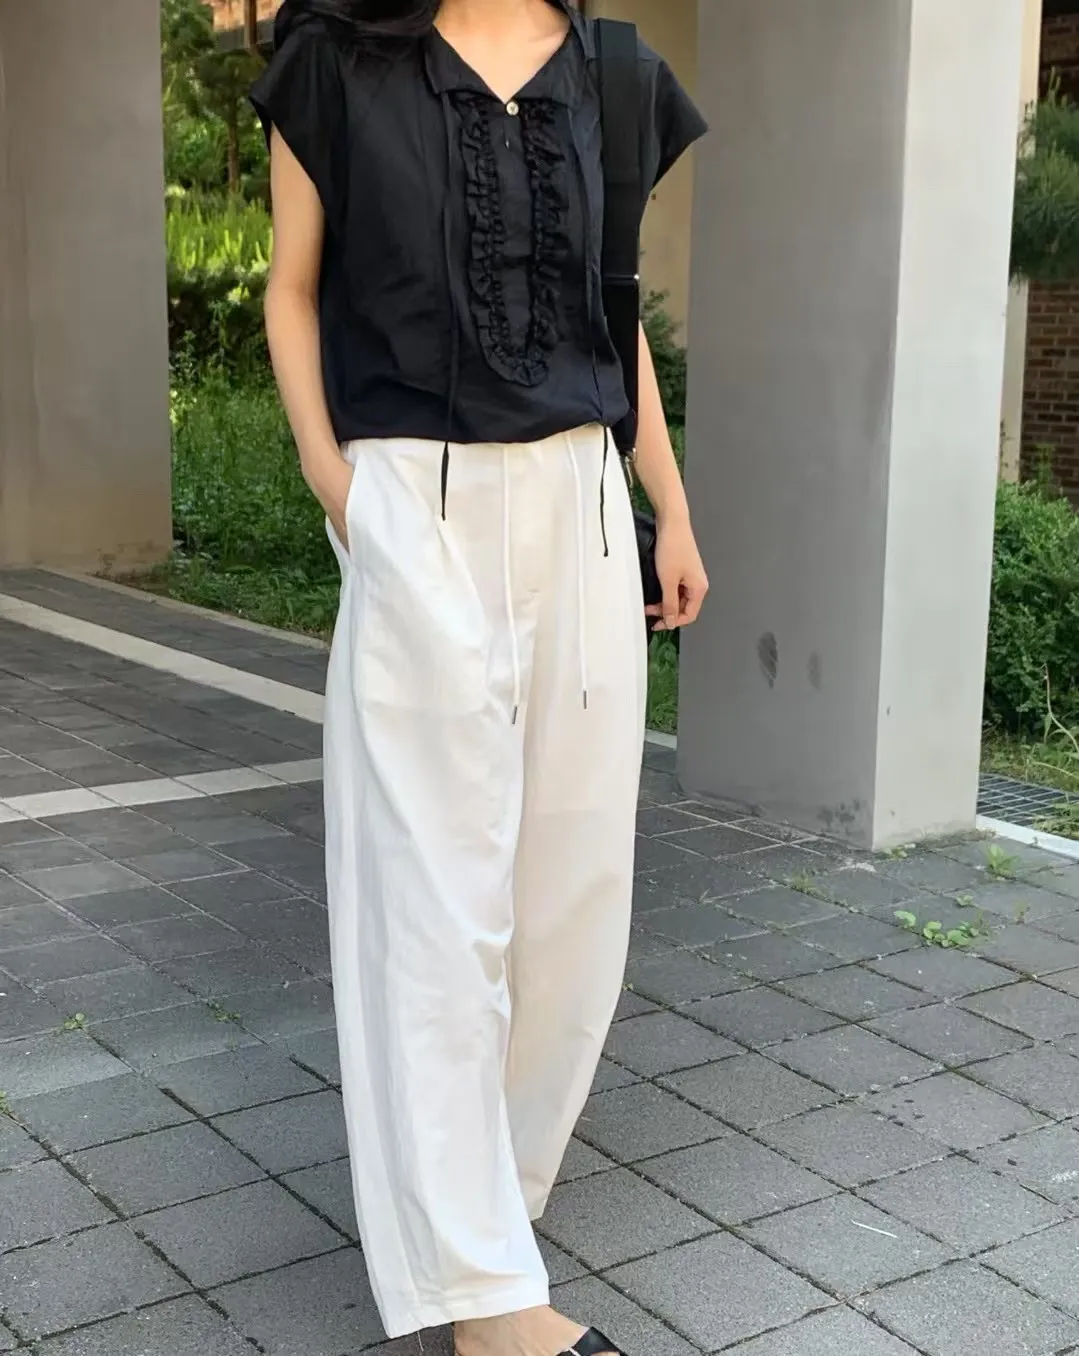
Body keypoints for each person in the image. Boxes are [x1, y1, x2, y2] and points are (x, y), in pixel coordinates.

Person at [251, 1, 707, 1351]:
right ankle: (488, 1302)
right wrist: (341, 490)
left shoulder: (614, 72)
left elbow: (612, 318)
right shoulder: (337, 60)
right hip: (418, 496)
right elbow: (291, 289)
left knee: (572, 900)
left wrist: (670, 505)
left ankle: (486, 1217)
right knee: (435, 906)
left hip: (583, 503)